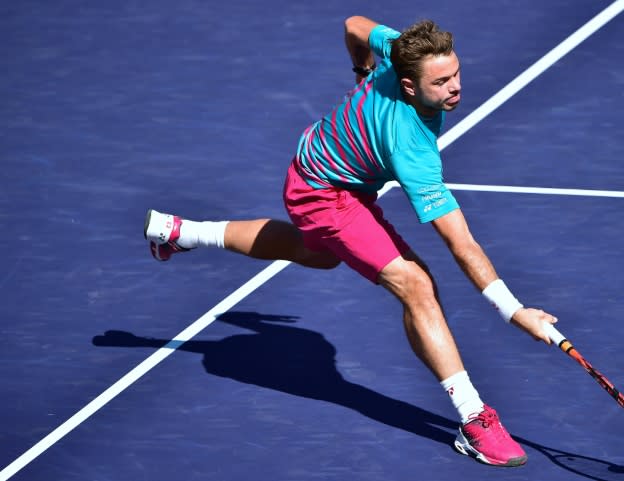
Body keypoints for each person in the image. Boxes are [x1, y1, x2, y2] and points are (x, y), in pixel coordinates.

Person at [144, 16, 558, 467]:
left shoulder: (401, 48)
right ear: (409, 85)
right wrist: (513, 311)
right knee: (417, 286)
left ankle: (181, 232)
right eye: (440, 82)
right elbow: (461, 243)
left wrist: (361, 71)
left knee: (314, 254)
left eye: (456, 73)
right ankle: (474, 418)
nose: (455, 87)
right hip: (325, 195)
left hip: (319, 163)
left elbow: (355, 24)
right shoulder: (411, 148)